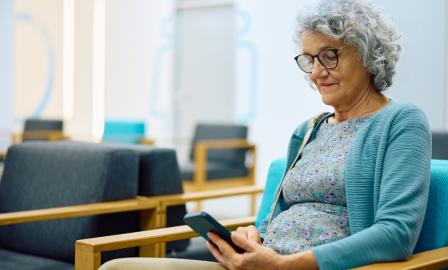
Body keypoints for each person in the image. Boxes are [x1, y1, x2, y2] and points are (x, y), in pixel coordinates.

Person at [100, 0, 431, 269]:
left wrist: (287, 266)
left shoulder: (402, 122)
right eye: (309, 59)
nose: (316, 72)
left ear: (368, 54)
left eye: (329, 56)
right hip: (261, 264)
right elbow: (268, 221)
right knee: (117, 268)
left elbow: (396, 234)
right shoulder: (308, 130)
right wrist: (251, 237)